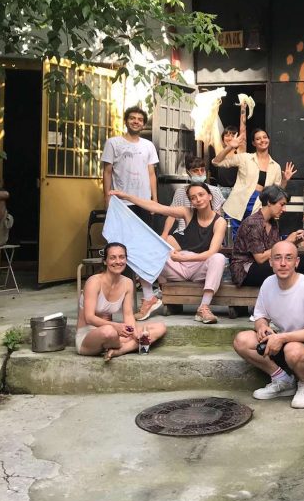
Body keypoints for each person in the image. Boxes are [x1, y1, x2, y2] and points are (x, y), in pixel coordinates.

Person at [232, 240, 304, 409]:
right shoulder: (268, 283)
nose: (283, 263)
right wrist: (262, 327)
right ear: (271, 262)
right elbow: (260, 316)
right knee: (241, 340)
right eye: (278, 258)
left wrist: (282, 338)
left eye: (289, 258)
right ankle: (282, 380)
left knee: (292, 350)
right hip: (283, 340)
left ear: (297, 262)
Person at [111, 183, 228, 324]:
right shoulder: (188, 212)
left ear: (210, 196)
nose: (198, 199)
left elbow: (211, 252)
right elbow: (157, 207)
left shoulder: (219, 222)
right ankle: (149, 298)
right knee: (143, 251)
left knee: (218, 258)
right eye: (193, 197)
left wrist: (185, 259)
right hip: (179, 266)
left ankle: (203, 308)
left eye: (201, 195)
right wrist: (126, 196)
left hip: (200, 267)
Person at [75, 242, 166, 360]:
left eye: (122, 257)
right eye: (113, 258)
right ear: (105, 261)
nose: (118, 261)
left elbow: (128, 315)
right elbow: (89, 318)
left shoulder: (127, 283)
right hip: (89, 337)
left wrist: (134, 333)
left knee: (160, 327)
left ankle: (121, 350)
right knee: (109, 332)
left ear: (126, 260)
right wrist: (117, 327)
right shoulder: (94, 282)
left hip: (114, 333)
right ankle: (129, 345)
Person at [214, 119, 297, 239]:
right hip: (236, 205)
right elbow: (217, 162)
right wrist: (230, 147)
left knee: (252, 241)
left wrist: (285, 180)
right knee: (230, 242)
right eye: (258, 139)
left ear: (269, 140)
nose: (262, 140)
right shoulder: (245, 158)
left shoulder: (276, 166)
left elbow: (277, 194)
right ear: (253, 143)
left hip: (258, 207)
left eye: (265, 137)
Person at [230, 186, 304, 287]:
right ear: (269, 202)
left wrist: (295, 241)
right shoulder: (253, 222)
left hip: (266, 264)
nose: (284, 209)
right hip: (246, 270)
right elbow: (260, 258)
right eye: (282, 204)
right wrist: (287, 242)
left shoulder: (273, 223)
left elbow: (277, 251)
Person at [102, 106, 159, 228]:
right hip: (121, 202)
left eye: (140, 119)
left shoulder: (149, 145)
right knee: (121, 237)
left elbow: (151, 174)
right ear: (125, 121)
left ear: (143, 124)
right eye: (132, 118)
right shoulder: (112, 143)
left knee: (143, 237)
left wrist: (154, 200)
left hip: (144, 202)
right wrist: (107, 198)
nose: (136, 121)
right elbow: (107, 172)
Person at [163, 154, 225, 236]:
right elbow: (171, 215)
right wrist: (164, 235)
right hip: (182, 233)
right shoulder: (180, 192)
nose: (200, 173)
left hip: (205, 234)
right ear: (188, 172)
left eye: (202, 170)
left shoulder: (214, 191)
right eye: (196, 171)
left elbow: (217, 216)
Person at [209, 125, 240, 199]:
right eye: (227, 135)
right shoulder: (219, 152)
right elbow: (215, 162)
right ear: (223, 138)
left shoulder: (240, 152)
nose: (230, 138)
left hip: (236, 190)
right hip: (221, 189)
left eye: (233, 136)